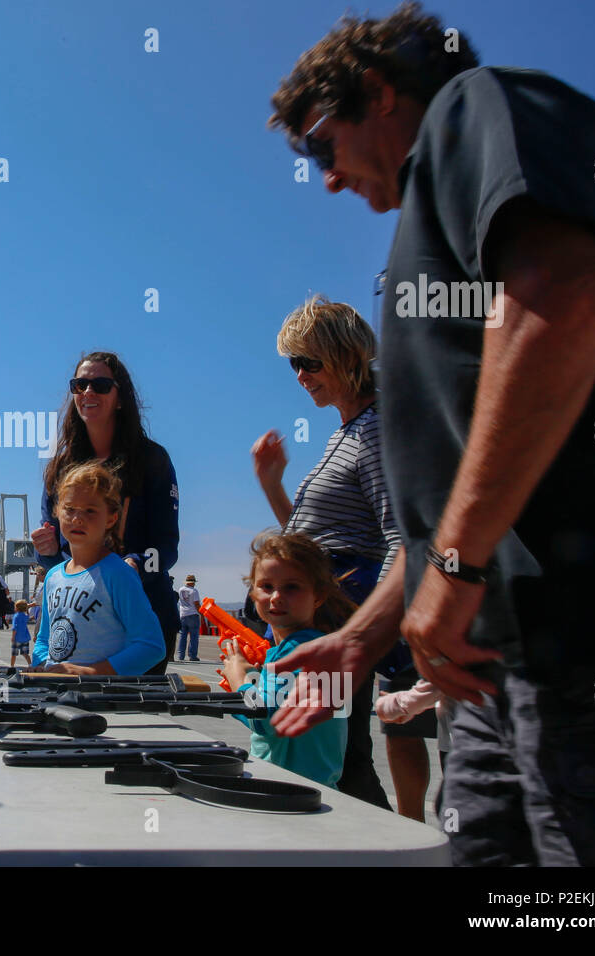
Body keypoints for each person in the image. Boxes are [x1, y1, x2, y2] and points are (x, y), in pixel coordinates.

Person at [266, 2, 595, 865]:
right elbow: (449, 488)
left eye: (319, 144)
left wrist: (458, 562)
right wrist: (364, 639)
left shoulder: (481, 107)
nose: (324, 178)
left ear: (379, 91)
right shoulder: (424, 233)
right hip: (486, 672)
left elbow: (572, 291)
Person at [251, 295, 400, 811]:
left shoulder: (375, 429)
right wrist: (273, 486)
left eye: (309, 362)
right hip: (329, 614)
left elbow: (397, 535)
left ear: (347, 355)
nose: (300, 376)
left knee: (345, 758)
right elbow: (306, 544)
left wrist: (366, 631)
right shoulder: (349, 430)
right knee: (342, 756)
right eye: (294, 364)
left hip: (339, 619)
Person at [32, 352, 179, 674]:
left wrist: (136, 564)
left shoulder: (152, 460)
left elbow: (166, 546)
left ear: (121, 398)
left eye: (99, 384)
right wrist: (45, 552)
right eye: (79, 384)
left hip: (143, 617)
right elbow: (57, 559)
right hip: (76, 626)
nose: (87, 392)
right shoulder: (60, 466)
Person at [220, 533, 353, 788]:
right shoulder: (322, 648)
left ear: (318, 596)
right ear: (252, 592)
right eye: (266, 586)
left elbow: (266, 718)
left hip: (286, 787)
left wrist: (240, 681)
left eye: (291, 587)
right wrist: (248, 688)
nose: (276, 597)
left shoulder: (295, 653)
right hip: (319, 785)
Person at [32, 462, 165, 675]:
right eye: (70, 509)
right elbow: (44, 639)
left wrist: (90, 672)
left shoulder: (119, 574)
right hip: (55, 696)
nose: (77, 518)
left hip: (101, 702)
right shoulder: (53, 577)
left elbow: (151, 646)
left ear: (111, 518)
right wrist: (44, 667)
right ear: (57, 512)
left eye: (90, 510)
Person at [176, 574, 201, 661]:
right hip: (193, 614)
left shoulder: (180, 589)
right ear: (192, 582)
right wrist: (201, 613)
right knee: (194, 636)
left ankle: (180, 655)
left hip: (183, 614)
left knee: (183, 636)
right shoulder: (194, 591)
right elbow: (197, 604)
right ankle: (192, 656)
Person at [10, 600, 33, 668]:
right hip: (25, 638)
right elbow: (28, 616)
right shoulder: (25, 616)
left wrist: (13, 637)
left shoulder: (16, 616)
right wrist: (27, 609)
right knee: (25, 653)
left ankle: (12, 666)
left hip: (17, 638)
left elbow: (15, 627)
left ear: (17, 608)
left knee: (14, 654)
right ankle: (30, 665)